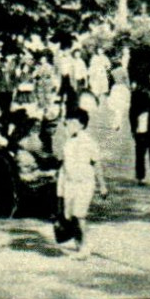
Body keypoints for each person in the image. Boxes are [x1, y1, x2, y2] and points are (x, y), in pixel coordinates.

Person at [55, 108, 107, 259]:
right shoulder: (67, 143)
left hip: (84, 183)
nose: (70, 125)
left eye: (73, 122)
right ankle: (80, 245)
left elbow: (97, 164)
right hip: (69, 183)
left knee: (79, 215)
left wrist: (102, 185)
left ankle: (84, 247)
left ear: (82, 125)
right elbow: (64, 166)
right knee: (70, 216)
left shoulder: (89, 142)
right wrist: (60, 188)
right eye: (68, 122)